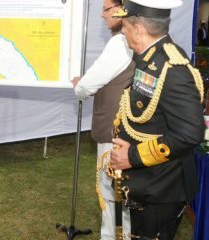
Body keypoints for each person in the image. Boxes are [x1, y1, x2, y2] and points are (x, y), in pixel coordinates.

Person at [110, 0, 205, 239]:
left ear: (140, 29)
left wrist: (131, 157)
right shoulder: (152, 57)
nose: (123, 30)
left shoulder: (172, 69)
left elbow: (190, 133)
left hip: (162, 189)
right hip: (147, 182)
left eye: (126, 26)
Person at [71, 0, 134, 238]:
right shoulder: (135, 41)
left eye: (106, 9)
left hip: (114, 132)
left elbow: (88, 84)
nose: (102, 15)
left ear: (121, 10)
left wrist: (80, 85)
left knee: (111, 192)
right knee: (122, 194)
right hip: (129, 130)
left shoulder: (119, 42)